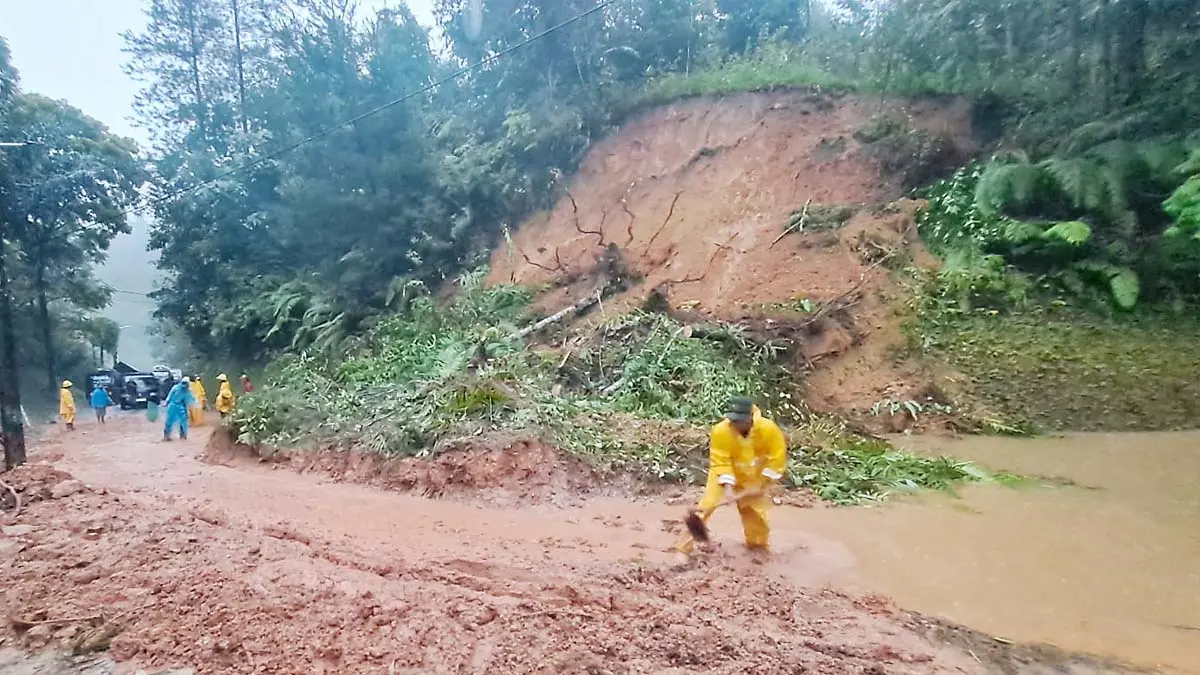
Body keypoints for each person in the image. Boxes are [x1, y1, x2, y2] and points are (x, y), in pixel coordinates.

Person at [674, 397, 787, 556]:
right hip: (723, 472)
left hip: (754, 475)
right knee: (707, 505)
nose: (734, 424)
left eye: (738, 421)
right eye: (732, 420)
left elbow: (776, 458)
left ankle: (757, 547)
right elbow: (721, 459)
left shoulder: (768, 430)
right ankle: (683, 550)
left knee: (755, 513)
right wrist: (728, 488)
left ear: (749, 420)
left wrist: (762, 484)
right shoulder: (721, 430)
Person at [162, 377, 195, 441]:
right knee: (169, 421)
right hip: (173, 405)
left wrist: (193, 406)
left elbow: (191, 400)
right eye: (183, 383)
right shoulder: (175, 388)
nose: (184, 385)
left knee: (183, 421)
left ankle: (183, 436)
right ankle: (166, 436)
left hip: (182, 406)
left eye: (186, 383)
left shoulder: (188, 391)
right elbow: (170, 396)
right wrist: (166, 402)